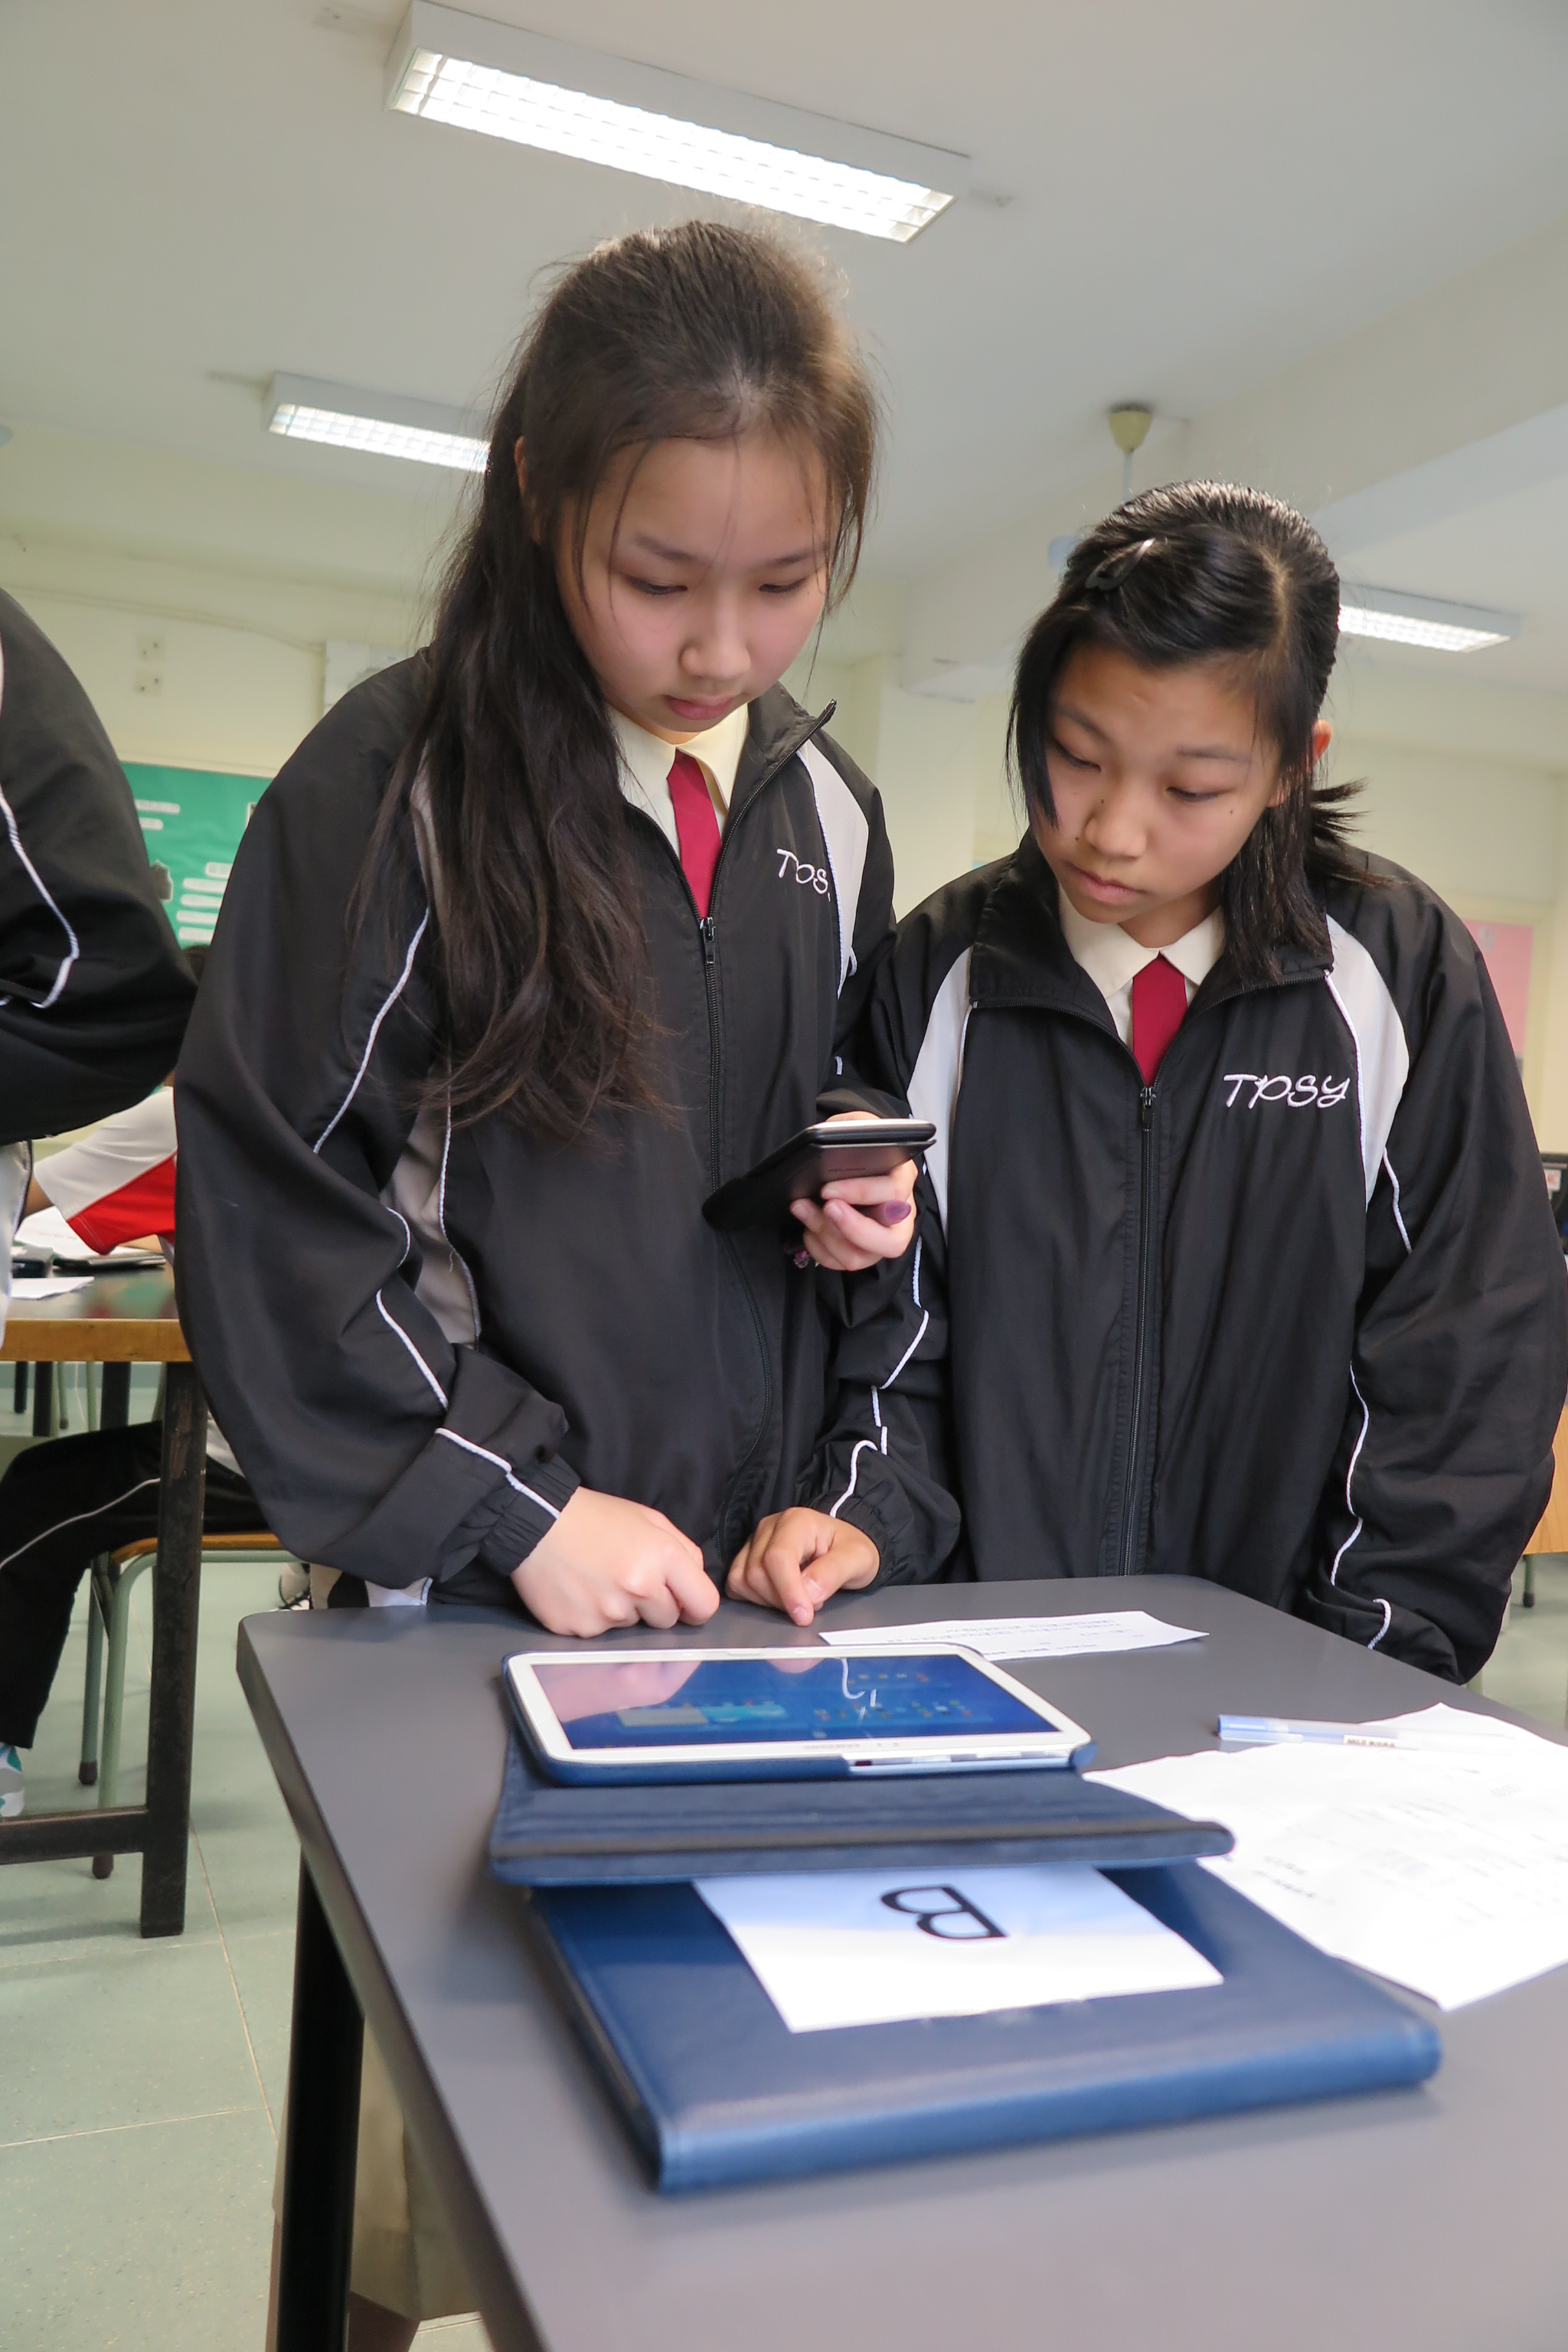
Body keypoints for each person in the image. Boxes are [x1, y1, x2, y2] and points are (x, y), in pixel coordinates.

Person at [173, 222, 918, 2349]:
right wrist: (518, 1505)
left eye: (785, 581)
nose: (720, 644)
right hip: (477, 1585)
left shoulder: (827, 807)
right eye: (657, 576)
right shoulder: (400, 784)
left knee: (731, 2146)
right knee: (446, 2177)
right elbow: (290, 1197)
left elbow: (823, 1116)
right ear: (537, 497)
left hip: (735, 1594)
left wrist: (858, 1199)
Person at [729, 482, 1568, 1684]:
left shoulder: (1399, 975)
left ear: (1291, 768)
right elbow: (897, 1335)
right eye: (1076, 757)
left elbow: (1467, 1358)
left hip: (1300, 1679)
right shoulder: (941, 971)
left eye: (1190, 790)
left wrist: (1366, 1664)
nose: (1112, 831)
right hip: (986, 1668)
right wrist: (864, 1516)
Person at [0, 591, 197, 1817]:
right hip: (289, 1417)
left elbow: (45, 1203)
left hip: (263, 1440)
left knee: (37, 1493)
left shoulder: (186, 1106)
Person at [0, 949, 273, 1820]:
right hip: (307, 1435)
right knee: (39, 1476)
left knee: (34, 1504)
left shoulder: (180, 1116)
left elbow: (19, 1199)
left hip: (259, 1460)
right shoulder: (265, 1106)